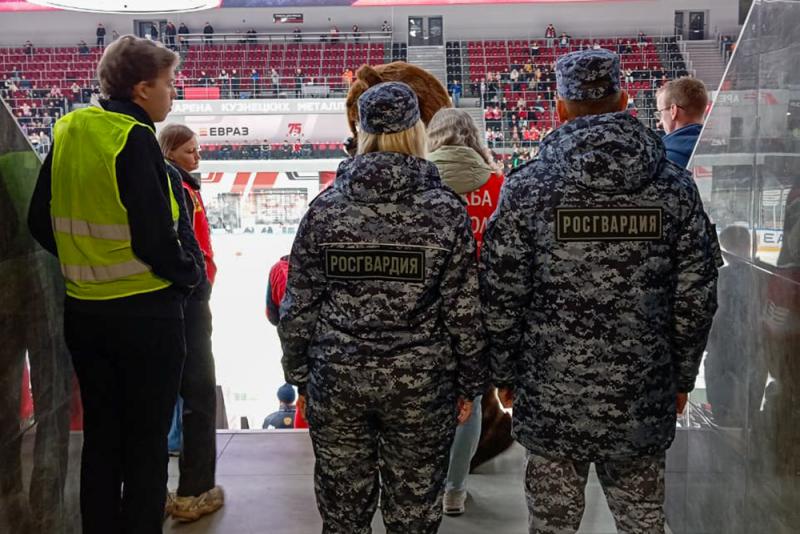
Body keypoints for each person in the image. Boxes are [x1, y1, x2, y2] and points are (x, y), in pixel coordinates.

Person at [480, 49, 720, 534]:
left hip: (551, 399)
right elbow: (696, 292)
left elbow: (501, 293)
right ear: (626, 99)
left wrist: (504, 373)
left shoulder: (528, 188)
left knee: (551, 526)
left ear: (560, 108)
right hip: (642, 393)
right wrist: (681, 376)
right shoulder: (673, 188)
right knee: (643, 525)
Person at [278, 79, 486, 533]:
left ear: (363, 133)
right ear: (416, 131)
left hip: (338, 380)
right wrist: (469, 382)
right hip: (422, 385)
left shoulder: (325, 210)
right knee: (413, 514)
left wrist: (299, 376)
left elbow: (299, 308)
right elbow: (463, 309)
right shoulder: (445, 210)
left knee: (343, 512)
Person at [27, 35, 202, 534]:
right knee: (146, 444)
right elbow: (152, 238)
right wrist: (188, 275)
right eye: (169, 84)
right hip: (145, 315)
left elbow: (40, 220)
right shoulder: (134, 136)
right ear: (142, 88)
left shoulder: (70, 127)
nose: (174, 93)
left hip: (86, 313)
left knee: (102, 439)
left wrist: (86, 260)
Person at [427, 108, 504, 516]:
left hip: (429, 309)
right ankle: (455, 489)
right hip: (483, 308)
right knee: (470, 398)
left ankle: (424, 481)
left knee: (424, 396)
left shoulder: (420, 184)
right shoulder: (497, 184)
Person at [158, 124, 223, 523]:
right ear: (169, 152)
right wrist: (199, 284)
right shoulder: (176, 187)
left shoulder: (185, 185)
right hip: (188, 304)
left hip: (185, 299)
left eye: (198, 150)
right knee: (198, 396)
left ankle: (158, 490)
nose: (197, 157)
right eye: (188, 151)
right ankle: (194, 490)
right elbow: (187, 246)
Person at [657, 76, 708, 168]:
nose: (659, 123)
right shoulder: (724, 152)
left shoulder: (660, 162)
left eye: (661, 113)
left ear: (673, 111)